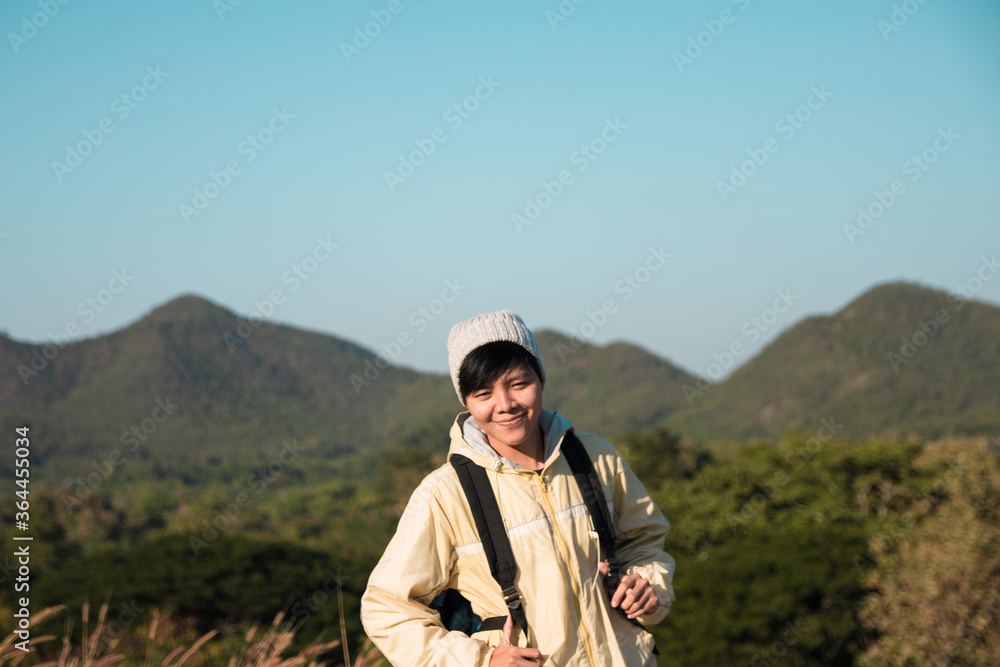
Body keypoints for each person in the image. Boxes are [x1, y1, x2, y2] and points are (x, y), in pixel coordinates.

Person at [361, 310, 675, 666]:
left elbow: (645, 541)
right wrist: (479, 660)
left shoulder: (594, 455)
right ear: (466, 402)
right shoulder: (445, 494)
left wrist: (648, 586)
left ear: (540, 379)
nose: (505, 404)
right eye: (483, 393)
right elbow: (385, 607)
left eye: (518, 384)